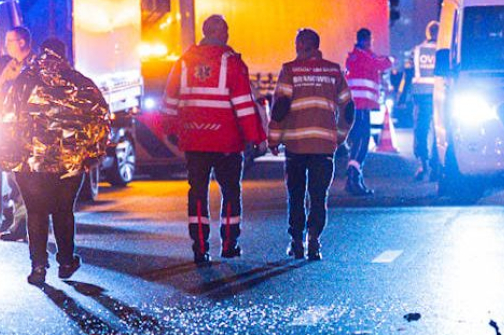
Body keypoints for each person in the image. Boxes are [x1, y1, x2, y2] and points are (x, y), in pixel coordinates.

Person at [0, 37, 111, 285]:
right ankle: (66, 261)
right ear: (64, 54)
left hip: (31, 163)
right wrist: (92, 156)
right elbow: (100, 118)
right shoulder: (80, 83)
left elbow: (6, 118)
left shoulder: (23, 82)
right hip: (70, 163)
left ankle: (38, 267)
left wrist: (6, 153)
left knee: (36, 212)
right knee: (63, 210)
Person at [162, 14, 267, 264]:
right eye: (227, 30)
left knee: (197, 191)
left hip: (195, 140)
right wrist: (255, 137)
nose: (229, 35)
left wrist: (171, 131)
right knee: (230, 191)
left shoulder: (184, 62)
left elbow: (170, 100)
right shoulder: (232, 63)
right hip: (227, 143)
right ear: (219, 33)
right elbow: (243, 105)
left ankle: (200, 246)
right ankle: (229, 244)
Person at [268, 29, 352, 261]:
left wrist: (274, 139)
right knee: (318, 196)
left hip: (296, 145)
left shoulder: (290, 70)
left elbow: (280, 107)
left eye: (298, 44)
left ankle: (296, 241)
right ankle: (313, 240)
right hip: (324, 145)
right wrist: (340, 135)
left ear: (303, 45)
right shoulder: (333, 71)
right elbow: (348, 107)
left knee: (295, 195)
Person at [0, 26, 35, 243]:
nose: (6, 44)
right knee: (15, 179)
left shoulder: (36, 65)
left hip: (31, 134)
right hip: (11, 132)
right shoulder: (11, 67)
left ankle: (32, 226)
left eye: (10, 40)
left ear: (22, 42)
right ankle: (20, 225)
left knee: (30, 180)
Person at [343, 26, 393, 196]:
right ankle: (353, 177)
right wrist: (390, 60)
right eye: (370, 41)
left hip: (357, 105)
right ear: (364, 40)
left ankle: (354, 178)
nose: (372, 44)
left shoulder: (356, 56)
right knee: (362, 141)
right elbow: (381, 64)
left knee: (359, 140)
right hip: (361, 105)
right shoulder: (362, 55)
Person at [407, 21, 442, 182]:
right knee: (439, 129)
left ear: (427, 33)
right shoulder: (442, 50)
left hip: (421, 95)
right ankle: (437, 166)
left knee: (421, 130)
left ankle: (423, 164)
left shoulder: (417, 50)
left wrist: (403, 96)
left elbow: (408, 74)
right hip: (439, 94)